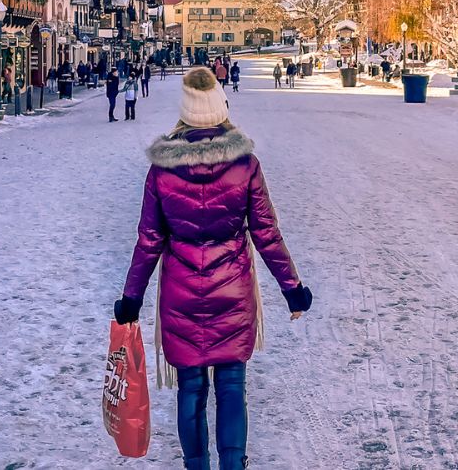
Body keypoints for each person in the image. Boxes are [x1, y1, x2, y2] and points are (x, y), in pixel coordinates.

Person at [114, 67, 312, 470]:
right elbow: (266, 233)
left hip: (181, 295)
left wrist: (131, 299)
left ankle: (197, 465)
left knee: (190, 388)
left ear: (186, 113)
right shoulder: (245, 164)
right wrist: (292, 288)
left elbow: (149, 240)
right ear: (220, 107)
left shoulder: (162, 170)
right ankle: (233, 465)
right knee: (232, 387)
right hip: (232, 292)